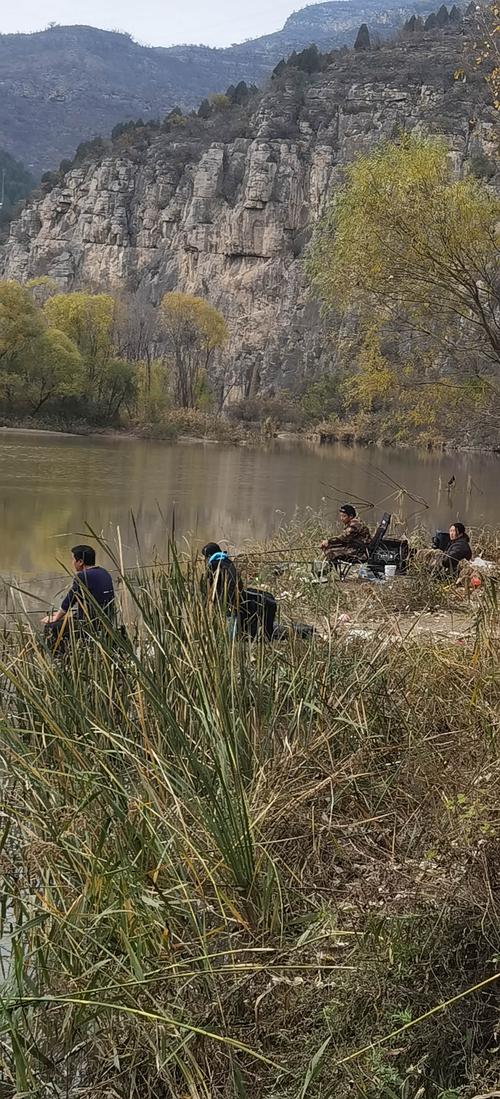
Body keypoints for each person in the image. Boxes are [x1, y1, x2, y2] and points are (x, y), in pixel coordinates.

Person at [42, 545, 115, 646]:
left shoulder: (83, 576)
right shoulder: (104, 572)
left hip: (90, 624)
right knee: (65, 621)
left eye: (73, 559)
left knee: (51, 627)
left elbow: (70, 600)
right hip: (106, 622)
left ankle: (58, 658)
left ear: (80, 562)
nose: (72, 563)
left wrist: (56, 617)